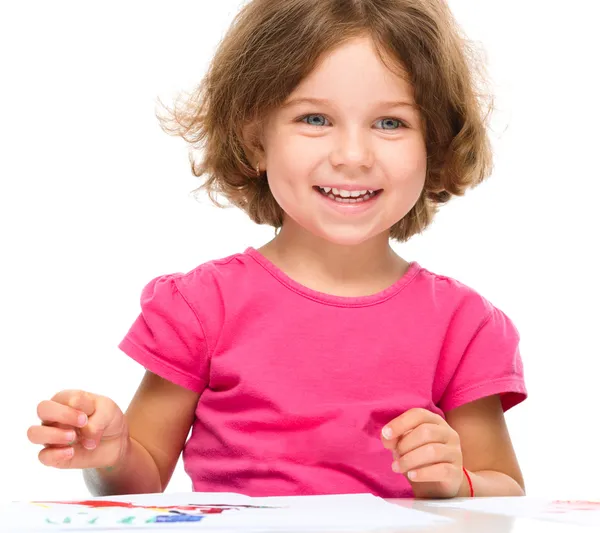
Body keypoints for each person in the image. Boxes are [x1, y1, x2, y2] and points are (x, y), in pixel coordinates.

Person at [27, 0, 527, 500]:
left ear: (434, 143)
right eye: (314, 118)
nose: (352, 156)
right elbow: (144, 476)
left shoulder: (464, 325)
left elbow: (504, 488)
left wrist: (455, 480)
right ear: (254, 138)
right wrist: (111, 455)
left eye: (390, 123)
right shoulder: (202, 307)